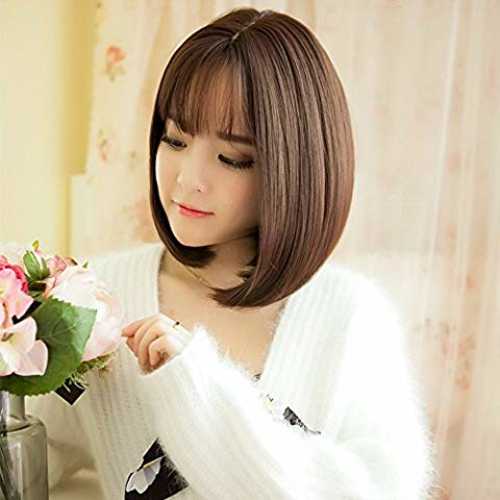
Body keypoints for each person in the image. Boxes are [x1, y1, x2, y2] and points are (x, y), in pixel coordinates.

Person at [26, 7, 438, 499]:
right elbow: (35, 461)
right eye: (174, 139)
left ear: (295, 166)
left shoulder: (352, 315)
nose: (187, 179)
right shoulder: (97, 297)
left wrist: (195, 387)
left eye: (232, 158)